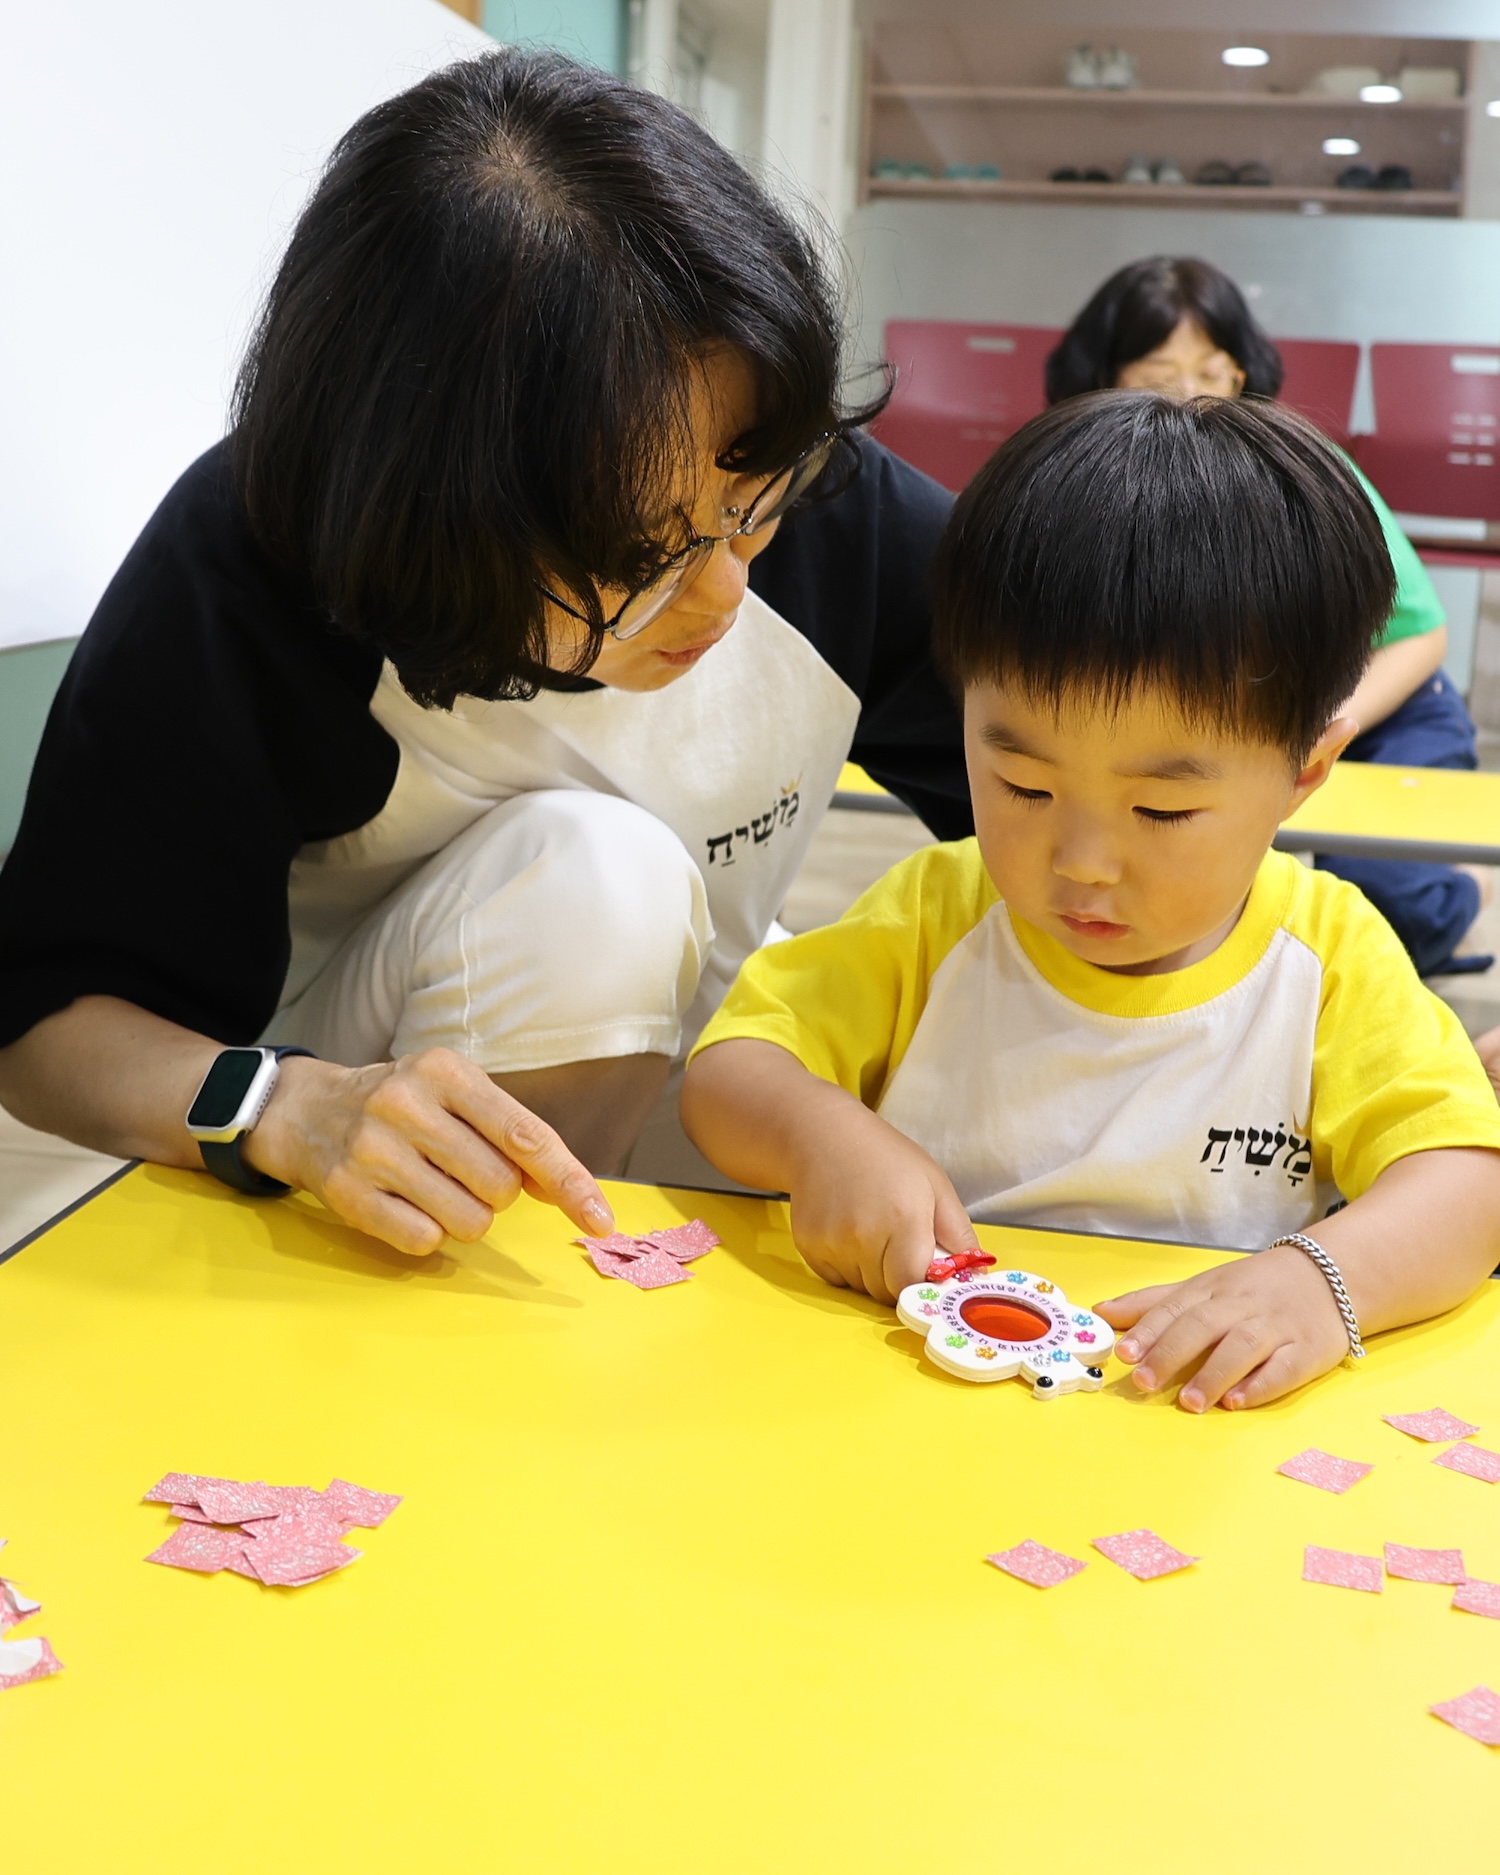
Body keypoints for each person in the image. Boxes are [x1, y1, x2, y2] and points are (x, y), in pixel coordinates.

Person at [0, 51, 968, 1257]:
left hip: (674, 1068)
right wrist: (283, 1107)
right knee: (599, 884)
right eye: (640, 554)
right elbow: (45, 1030)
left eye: (753, 509)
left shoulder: (817, 494)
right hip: (348, 1120)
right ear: (435, 511)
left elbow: (1095, 790)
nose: (725, 592)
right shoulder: (250, 573)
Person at [681, 394, 1500, 1412]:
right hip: (914, 1408)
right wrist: (817, 1134)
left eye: (1161, 809)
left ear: (1304, 771)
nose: (1083, 864)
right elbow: (729, 1070)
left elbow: (1469, 1180)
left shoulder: (1326, 960)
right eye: (1024, 786)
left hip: (1186, 1424)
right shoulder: (938, 914)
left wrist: (1320, 1283)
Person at [1046, 255, 1490, 980]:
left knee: (1397, 915)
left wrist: (1302, 731)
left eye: (1213, 373)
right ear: (1103, 378)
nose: (1188, 395)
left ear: (1243, 377)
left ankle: (1466, 888)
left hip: (1381, 704)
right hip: (1242, 721)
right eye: (1157, 376)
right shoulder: (1083, 487)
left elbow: (1421, 635)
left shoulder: (1300, 478)